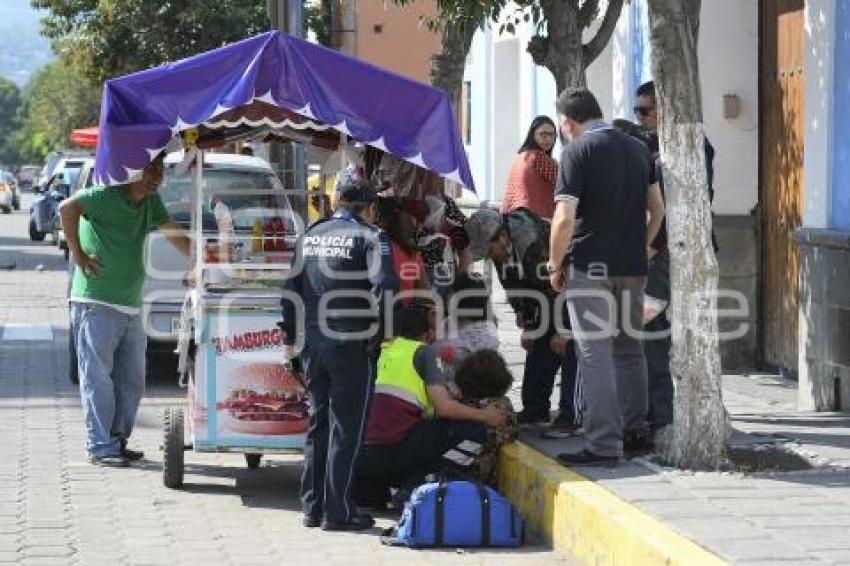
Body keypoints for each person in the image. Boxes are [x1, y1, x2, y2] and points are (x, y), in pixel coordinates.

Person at [548, 88, 665, 466]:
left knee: (594, 353)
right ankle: (635, 431)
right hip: (632, 266)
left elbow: (564, 219)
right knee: (631, 350)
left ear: (567, 123)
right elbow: (657, 210)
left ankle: (603, 444)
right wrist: (644, 247)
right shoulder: (638, 149)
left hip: (591, 267)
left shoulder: (576, 151)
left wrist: (554, 263)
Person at [59, 152, 191, 467]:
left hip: (131, 304)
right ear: (133, 170)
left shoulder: (150, 203)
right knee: (97, 377)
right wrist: (76, 253)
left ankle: (117, 440)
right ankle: (100, 446)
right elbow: (67, 208)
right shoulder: (105, 195)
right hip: (96, 301)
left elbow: (176, 236)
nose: (156, 175)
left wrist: (205, 259)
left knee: (132, 379)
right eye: (150, 169)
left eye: (160, 169)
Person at [280, 180, 387, 532]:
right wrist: (379, 334)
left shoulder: (310, 234)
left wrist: (292, 344)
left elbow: (289, 293)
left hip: (313, 344)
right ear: (369, 208)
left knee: (318, 424)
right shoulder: (371, 238)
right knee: (346, 429)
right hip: (351, 344)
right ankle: (338, 512)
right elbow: (384, 288)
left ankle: (311, 507)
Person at [355, 306, 508, 508]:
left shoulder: (380, 350)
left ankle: (369, 491)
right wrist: (485, 416)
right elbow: (444, 408)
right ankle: (416, 485)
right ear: (427, 334)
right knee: (472, 430)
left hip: (361, 456)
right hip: (394, 454)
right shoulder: (423, 352)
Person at [465, 206, 579, 437]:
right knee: (537, 344)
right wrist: (528, 324)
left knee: (569, 348)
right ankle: (535, 409)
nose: (489, 257)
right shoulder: (501, 251)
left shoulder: (532, 245)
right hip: (545, 297)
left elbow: (557, 287)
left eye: (489, 250)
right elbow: (514, 288)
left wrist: (565, 329)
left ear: (503, 237)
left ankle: (572, 416)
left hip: (571, 291)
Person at [500, 116, 560, 220]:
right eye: (542, 134)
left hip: (512, 219)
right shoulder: (538, 157)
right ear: (532, 135)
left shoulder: (521, 156)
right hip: (535, 222)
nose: (548, 139)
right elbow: (565, 182)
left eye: (551, 134)